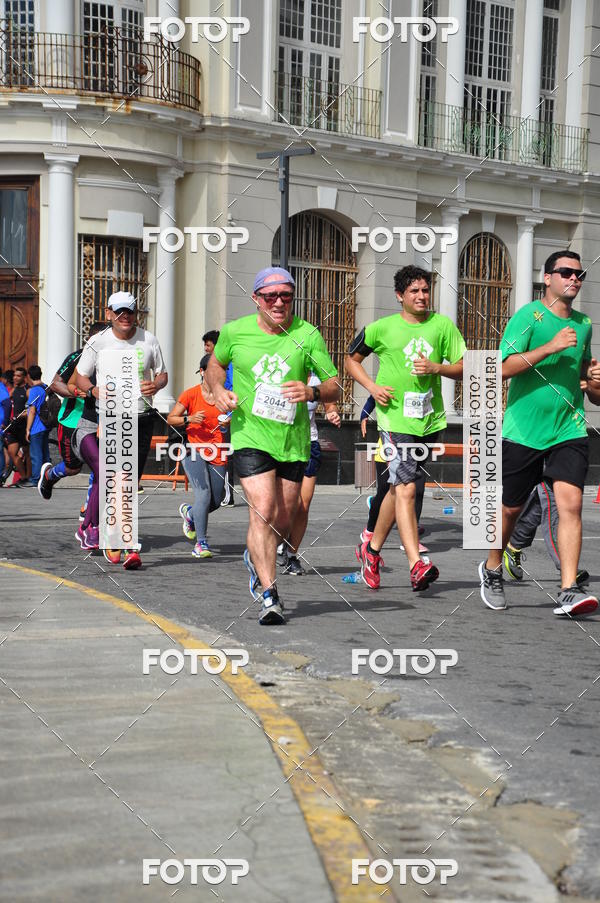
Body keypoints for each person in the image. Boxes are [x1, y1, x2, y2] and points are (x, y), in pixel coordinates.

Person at [206, 266, 339, 625]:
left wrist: (311, 391)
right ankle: (270, 594)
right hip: (250, 433)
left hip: (292, 438)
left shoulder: (307, 334)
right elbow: (215, 366)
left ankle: (255, 554)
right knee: (263, 508)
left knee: (282, 519)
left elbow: (334, 385)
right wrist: (218, 390)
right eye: (271, 296)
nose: (279, 302)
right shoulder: (235, 331)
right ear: (256, 299)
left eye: (286, 296)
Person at [478, 250, 600, 617]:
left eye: (578, 274)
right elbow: (500, 368)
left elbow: (587, 385)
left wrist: (594, 382)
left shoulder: (584, 324)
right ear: (547, 278)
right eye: (565, 272)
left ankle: (567, 590)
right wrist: (549, 346)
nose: (574, 279)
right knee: (511, 509)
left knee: (571, 506)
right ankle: (492, 568)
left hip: (569, 428)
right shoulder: (528, 316)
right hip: (524, 431)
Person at [345, 265, 466, 591]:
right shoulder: (382, 329)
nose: (422, 296)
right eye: (414, 291)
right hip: (394, 418)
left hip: (429, 420)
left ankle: (370, 552)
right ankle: (416, 564)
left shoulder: (443, 326)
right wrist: (372, 387)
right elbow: (350, 360)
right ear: (400, 296)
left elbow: (464, 366)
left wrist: (437, 367)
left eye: (425, 290)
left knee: (399, 488)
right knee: (407, 488)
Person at [76, 291, 168, 569]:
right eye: (119, 311)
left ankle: (114, 533)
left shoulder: (149, 340)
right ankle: (126, 542)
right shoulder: (98, 342)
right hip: (112, 417)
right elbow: (80, 377)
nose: (124, 316)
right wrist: (93, 390)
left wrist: (158, 385)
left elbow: (162, 373)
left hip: (142, 417)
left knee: (130, 481)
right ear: (108, 313)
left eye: (129, 311)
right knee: (119, 479)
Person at [277, 373, 341, 575]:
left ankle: (291, 555)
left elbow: (329, 402)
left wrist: (332, 412)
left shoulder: (316, 379)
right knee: (290, 503)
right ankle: (275, 542)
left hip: (309, 442)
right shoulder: (280, 372)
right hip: (281, 443)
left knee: (303, 505)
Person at [38, 322, 107, 501]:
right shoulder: (77, 357)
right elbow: (55, 384)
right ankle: (49, 476)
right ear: (91, 340)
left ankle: (88, 508)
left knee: (99, 464)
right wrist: (76, 392)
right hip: (72, 420)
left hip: (100, 421)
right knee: (72, 468)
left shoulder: (112, 359)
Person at [167, 354, 227, 558]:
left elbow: (240, 421)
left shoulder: (226, 396)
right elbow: (170, 419)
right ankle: (201, 543)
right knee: (204, 494)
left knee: (217, 500)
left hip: (218, 449)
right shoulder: (190, 394)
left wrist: (229, 424)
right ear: (202, 372)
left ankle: (190, 514)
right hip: (192, 448)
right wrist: (188, 418)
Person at [358, 394, 428, 552]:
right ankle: (369, 530)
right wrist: (364, 414)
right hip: (388, 446)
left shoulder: (421, 389)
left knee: (417, 490)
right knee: (384, 492)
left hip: (415, 446)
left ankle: (412, 538)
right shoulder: (394, 380)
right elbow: (373, 396)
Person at [503, 480, 589, 585]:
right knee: (554, 503)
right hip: (551, 466)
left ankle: (514, 544)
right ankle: (566, 567)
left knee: (542, 499)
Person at [3, 366, 31, 486]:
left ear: (24, 377)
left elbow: (31, 409)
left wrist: (22, 415)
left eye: (18, 376)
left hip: (24, 427)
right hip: (13, 427)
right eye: (14, 375)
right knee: (12, 452)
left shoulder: (28, 390)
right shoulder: (14, 390)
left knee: (27, 453)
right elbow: (8, 402)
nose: (15, 377)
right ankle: (23, 476)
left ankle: (28, 478)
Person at [25, 365, 50, 486]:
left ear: (29, 376)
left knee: (36, 454)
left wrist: (28, 429)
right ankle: (47, 478)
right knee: (45, 453)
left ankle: (35, 479)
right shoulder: (45, 387)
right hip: (46, 425)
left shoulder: (34, 390)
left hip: (36, 426)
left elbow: (32, 411)